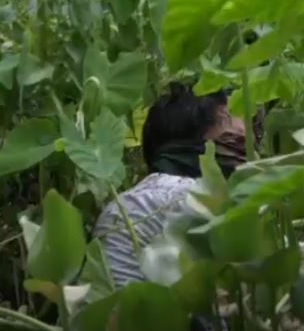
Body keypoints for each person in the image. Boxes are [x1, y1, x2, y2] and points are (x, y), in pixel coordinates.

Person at [92, 82, 254, 288]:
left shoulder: (125, 203)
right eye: (236, 141)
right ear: (201, 141)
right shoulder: (190, 198)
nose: (249, 154)